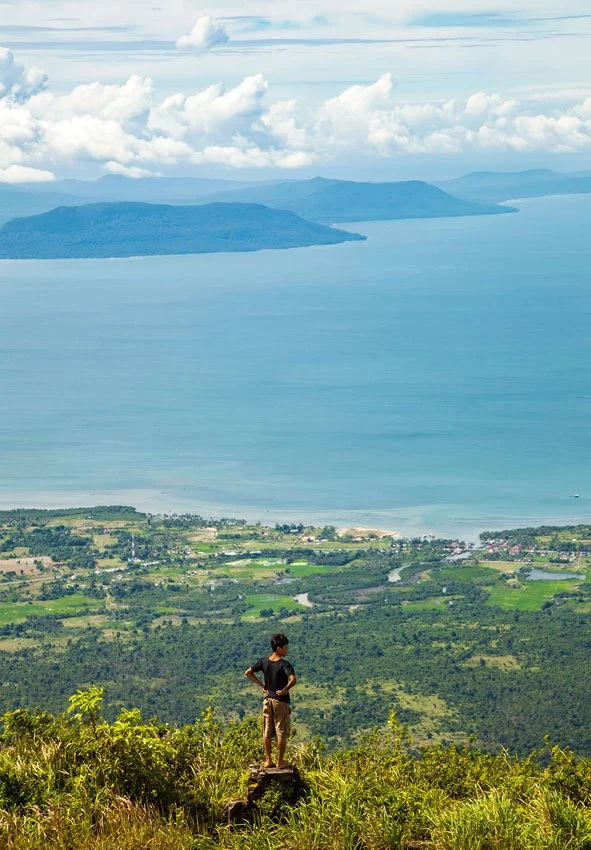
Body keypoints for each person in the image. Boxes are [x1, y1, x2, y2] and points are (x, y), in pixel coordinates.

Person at [245, 632, 297, 769]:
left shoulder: (263, 662)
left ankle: (268, 760)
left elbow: (248, 672)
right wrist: (286, 688)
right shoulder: (285, 664)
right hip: (281, 701)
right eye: (286, 647)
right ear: (279, 648)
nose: (287, 649)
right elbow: (293, 679)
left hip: (267, 700)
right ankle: (280, 762)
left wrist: (262, 686)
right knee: (281, 731)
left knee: (267, 730)